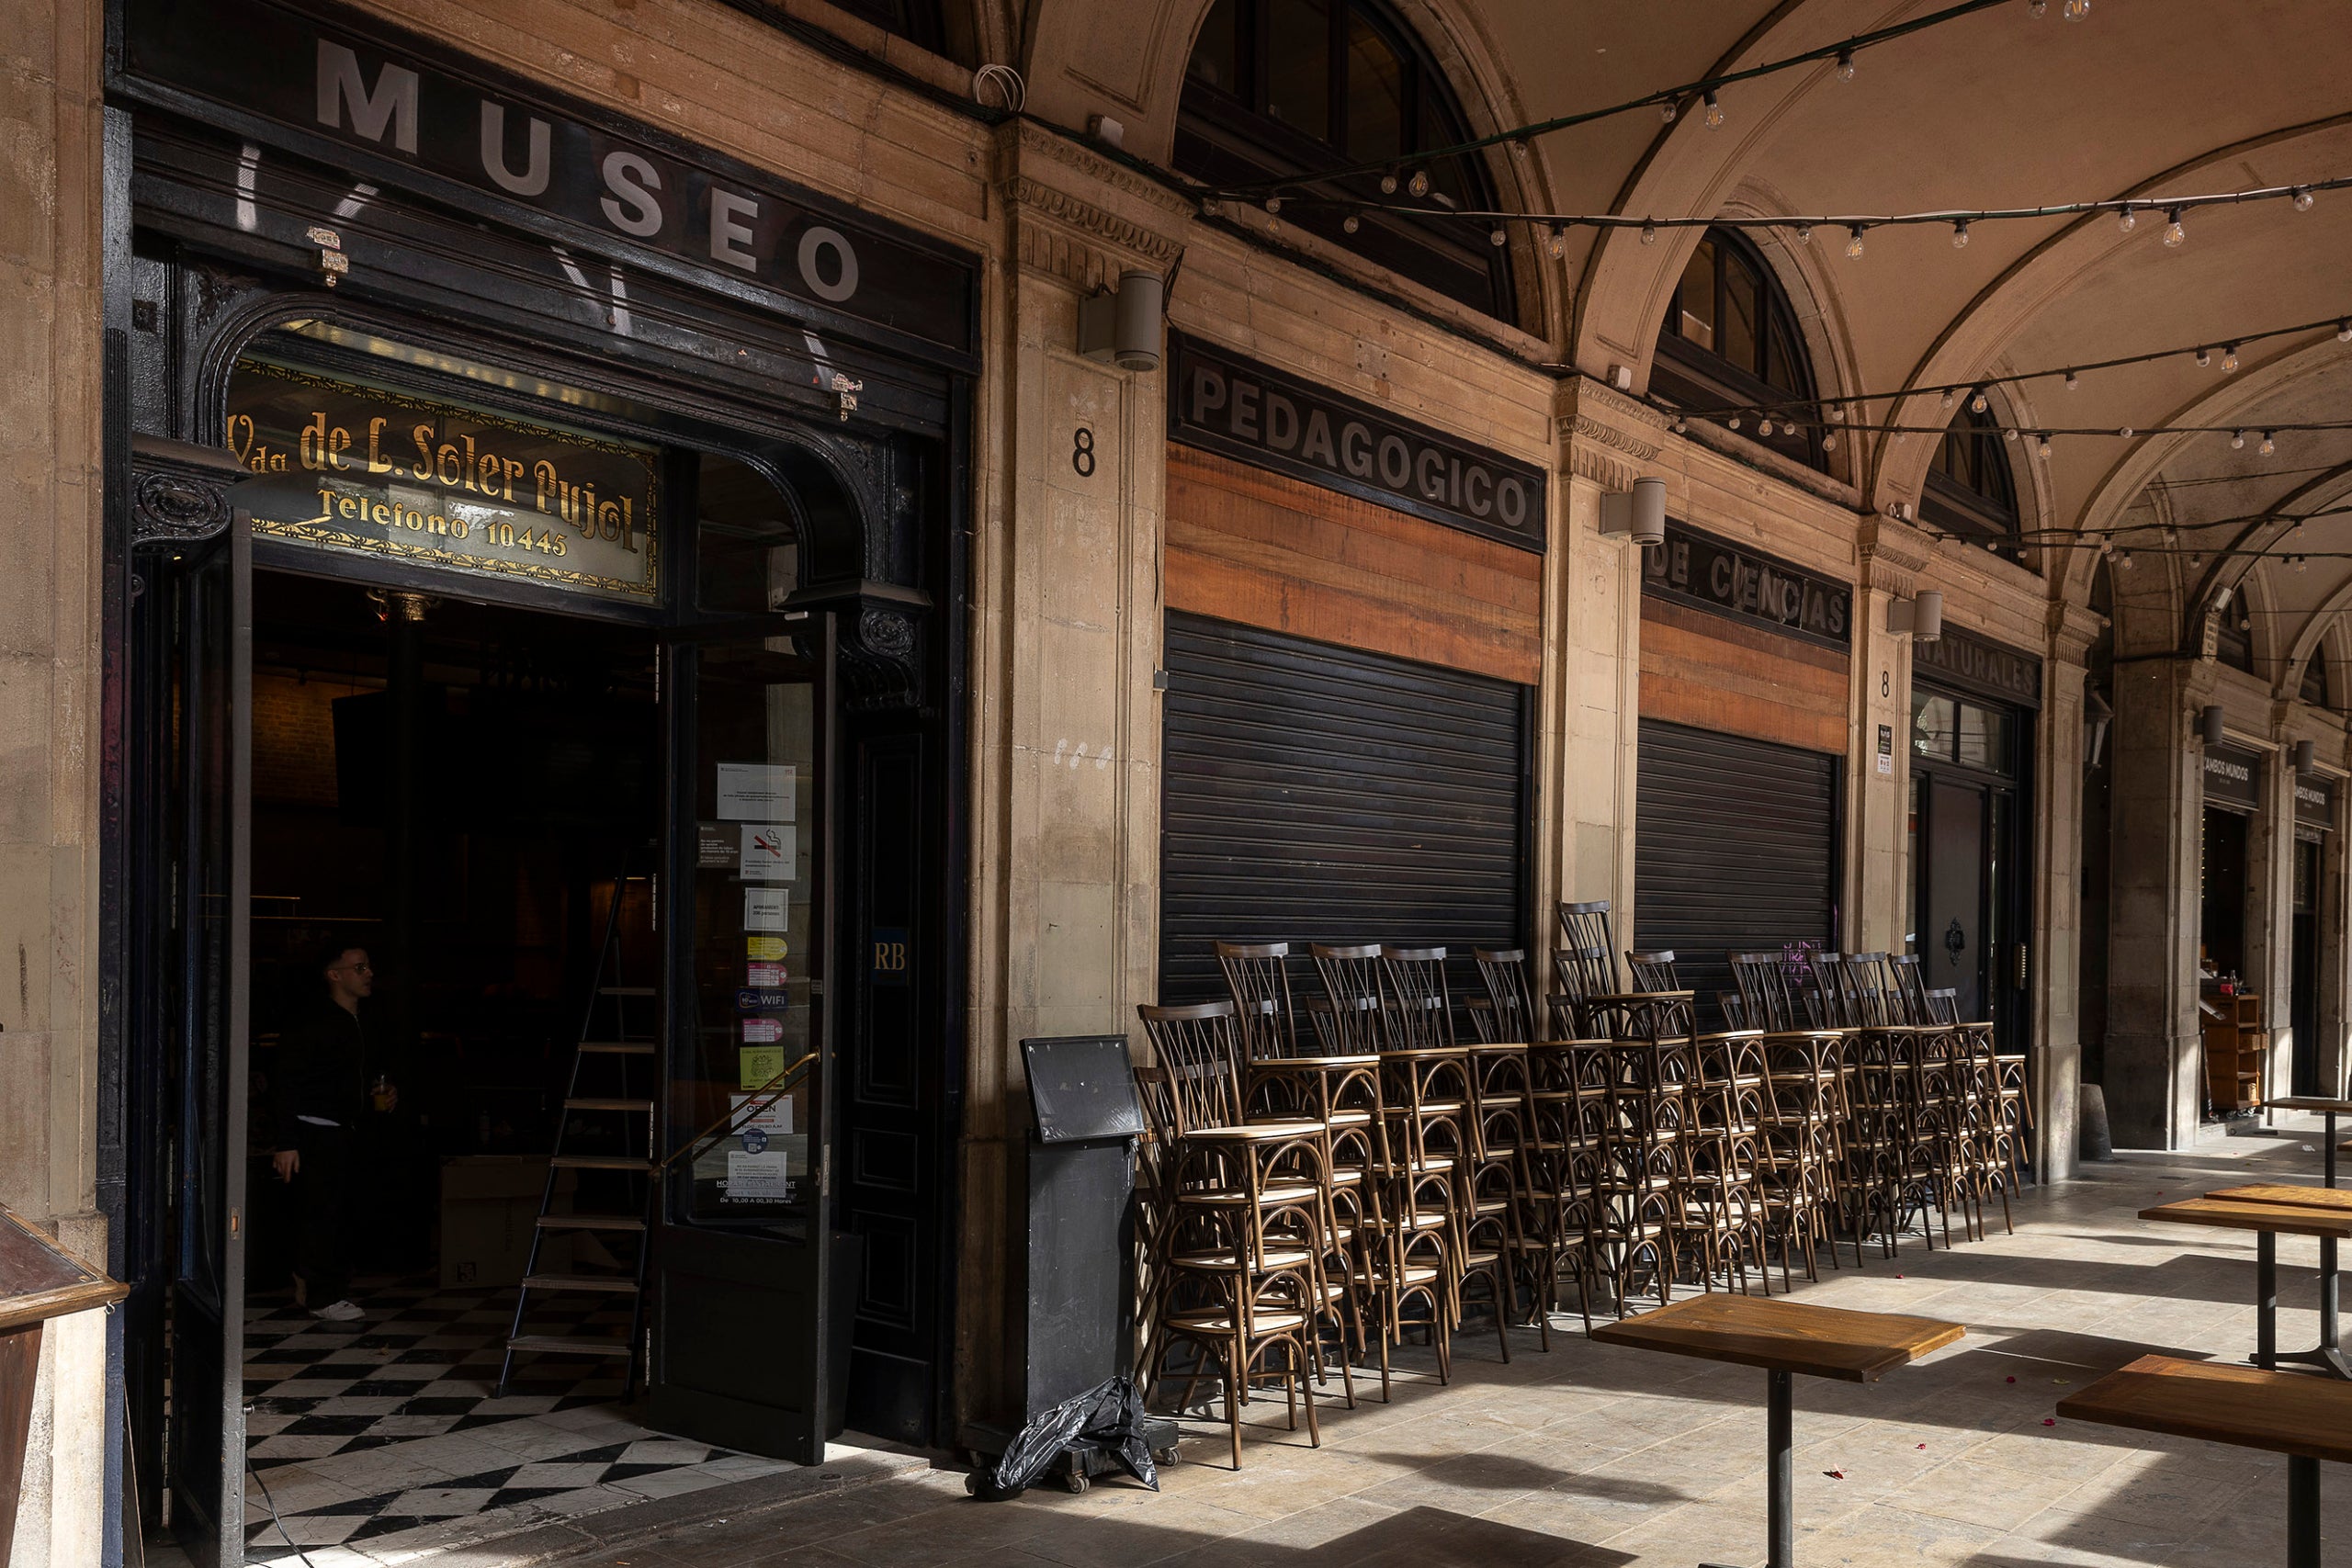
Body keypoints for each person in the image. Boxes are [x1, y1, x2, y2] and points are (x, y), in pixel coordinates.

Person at [270, 944, 394, 1321]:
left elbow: (366, 1076)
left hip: (349, 1131)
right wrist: (287, 1141)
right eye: (359, 967)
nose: (368, 973)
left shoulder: (365, 1021)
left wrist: (386, 1093)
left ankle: (320, 1285)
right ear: (334, 974)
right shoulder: (313, 1023)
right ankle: (323, 1296)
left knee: (343, 1213)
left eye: (369, 965)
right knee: (322, 1214)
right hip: (316, 1131)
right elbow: (285, 1082)